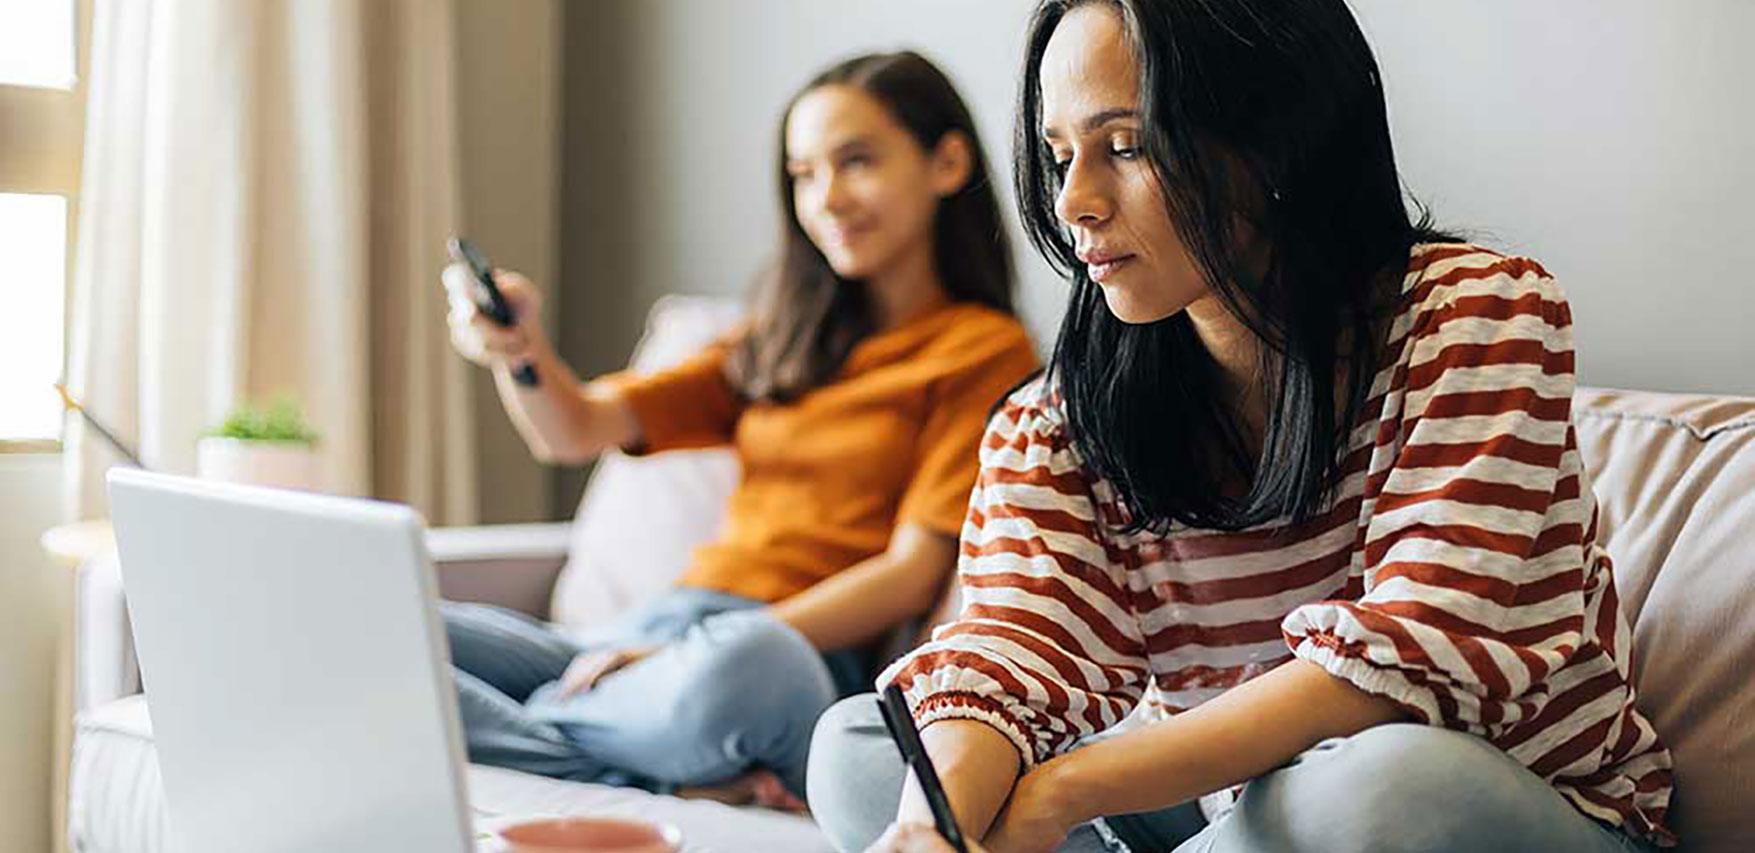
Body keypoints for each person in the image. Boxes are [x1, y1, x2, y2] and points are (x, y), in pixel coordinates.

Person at [807, 2, 1675, 851]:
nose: (1074, 202)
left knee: (1382, 784)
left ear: (1272, 134)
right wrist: (936, 823)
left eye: (1125, 145)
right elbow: (1014, 649)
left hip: (1491, 799)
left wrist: (1067, 791)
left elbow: (1413, 653)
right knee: (870, 752)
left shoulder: (1474, 315)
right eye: (1058, 155)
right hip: (1226, 806)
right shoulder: (1056, 417)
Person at [438, 50, 1039, 809]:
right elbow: (575, 428)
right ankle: (656, 774)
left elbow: (911, 574)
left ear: (947, 162)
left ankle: (542, 737)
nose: (825, 198)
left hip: (778, 656)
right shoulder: (782, 340)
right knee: (399, 621)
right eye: (803, 174)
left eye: (855, 162)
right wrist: (519, 352)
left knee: (749, 661)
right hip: (643, 634)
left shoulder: (984, 350)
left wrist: (677, 654)